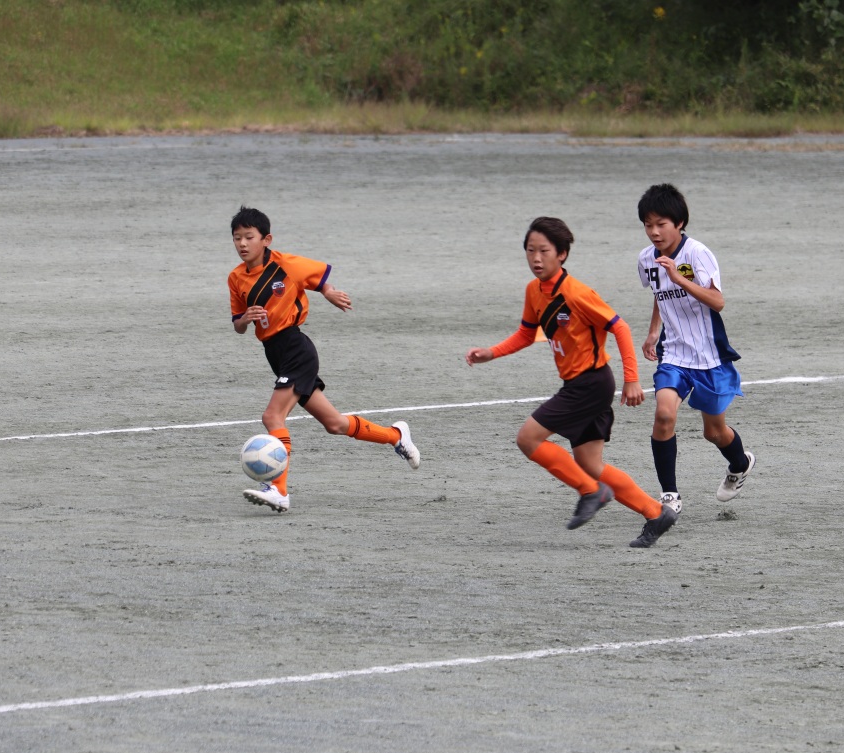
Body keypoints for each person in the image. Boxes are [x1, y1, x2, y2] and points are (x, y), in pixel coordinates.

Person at [465, 216, 677, 548]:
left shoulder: (576, 293)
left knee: (528, 439)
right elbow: (526, 333)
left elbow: (619, 327)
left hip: (591, 384)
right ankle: (655, 512)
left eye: (544, 251)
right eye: (530, 250)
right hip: (578, 385)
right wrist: (492, 353)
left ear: (562, 254)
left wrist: (632, 379)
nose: (536, 258)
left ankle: (590, 492)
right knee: (590, 464)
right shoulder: (534, 291)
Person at [227, 206, 419, 513]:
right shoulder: (236, 278)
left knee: (272, 417)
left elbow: (317, 278)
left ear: (266, 239)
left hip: (296, 348)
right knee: (335, 424)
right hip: (274, 354)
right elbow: (238, 325)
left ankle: (278, 490)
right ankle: (395, 436)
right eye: (237, 238)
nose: (242, 244)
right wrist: (245, 320)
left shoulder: (286, 264)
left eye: (249, 237)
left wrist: (328, 292)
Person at [636, 183, 754, 516]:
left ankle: (740, 464)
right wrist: (653, 332)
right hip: (673, 354)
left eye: (661, 224)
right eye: (648, 225)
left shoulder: (697, 254)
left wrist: (680, 279)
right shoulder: (646, 259)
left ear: (680, 223)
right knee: (664, 415)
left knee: (714, 432)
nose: (654, 232)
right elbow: (659, 294)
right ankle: (669, 496)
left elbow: (717, 301)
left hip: (709, 357)